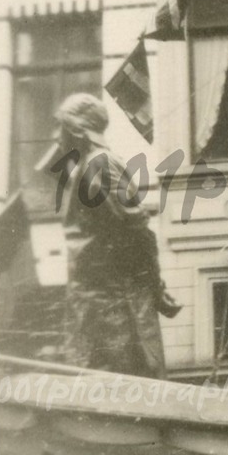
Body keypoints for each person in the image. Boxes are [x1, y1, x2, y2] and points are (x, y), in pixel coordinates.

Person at [52, 93, 179, 379]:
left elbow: (139, 232)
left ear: (76, 130)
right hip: (95, 306)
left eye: (60, 126)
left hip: (114, 310)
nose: (55, 135)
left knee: (123, 387)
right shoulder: (85, 166)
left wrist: (155, 288)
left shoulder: (100, 165)